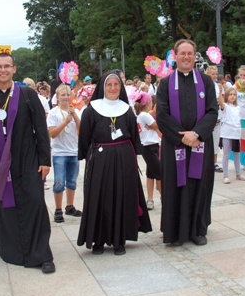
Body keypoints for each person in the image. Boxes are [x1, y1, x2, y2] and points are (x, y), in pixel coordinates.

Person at [0, 53, 55, 274]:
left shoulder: (27, 94)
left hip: (27, 158)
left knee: (35, 202)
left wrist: (45, 160)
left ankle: (42, 254)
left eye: (7, 66)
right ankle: (13, 251)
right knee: (7, 206)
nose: (2, 70)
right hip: (0, 162)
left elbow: (41, 128)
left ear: (14, 69)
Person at [77, 70, 152, 255]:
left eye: (116, 84)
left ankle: (119, 240)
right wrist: (90, 158)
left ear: (121, 87)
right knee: (99, 197)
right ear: (103, 87)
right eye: (109, 85)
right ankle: (99, 240)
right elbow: (85, 137)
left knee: (122, 196)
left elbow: (134, 136)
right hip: (100, 159)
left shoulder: (126, 110)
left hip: (124, 158)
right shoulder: (91, 109)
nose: (113, 88)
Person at [156, 39, 218, 246]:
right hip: (175, 144)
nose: (186, 57)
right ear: (175, 56)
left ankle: (197, 230)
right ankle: (174, 232)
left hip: (200, 143)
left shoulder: (206, 81)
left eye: (190, 53)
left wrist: (197, 134)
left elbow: (212, 111)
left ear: (195, 56)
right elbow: (162, 115)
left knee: (200, 185)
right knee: (175, 185)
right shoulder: (165, 84)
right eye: (182, 53)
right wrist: (182, 136)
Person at [47, 84, 82, 223]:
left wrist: (74, 116)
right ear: (57, 97)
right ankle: (58, 209)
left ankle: (70, 206)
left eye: (68, 95)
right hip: (59, 152)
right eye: (63, 95)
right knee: (59, 181)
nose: (66, 98)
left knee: (72, 181)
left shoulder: (75, 111)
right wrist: (65, 122)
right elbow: (52, 134)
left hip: (74, 151)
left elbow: (82, 130)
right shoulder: (53, 113)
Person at [133, 91, 162, 210]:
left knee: (150, 174)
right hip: (149, 146)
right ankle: (164, 196)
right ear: (148, 103)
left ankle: (150, 199)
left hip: (150, 146)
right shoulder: (145, 115)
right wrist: (155, 127)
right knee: (160, 173)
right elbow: (158, 126)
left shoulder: (142, 115)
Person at [220, 87, 242, 184]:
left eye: (234, 94)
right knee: (226, 154)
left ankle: (238, 173)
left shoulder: (238, 107)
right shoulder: (225, 106)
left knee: (237, 154)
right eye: (230, 94)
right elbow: (220, 102)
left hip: (236, 133)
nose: (232, 96)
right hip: (227, 132)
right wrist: (220, 92)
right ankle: (225, 175)